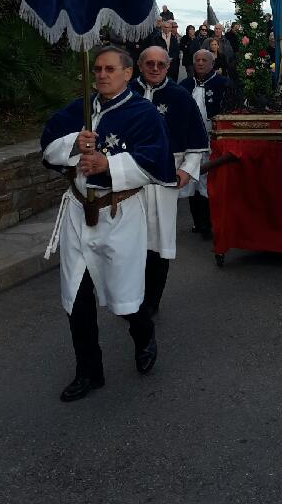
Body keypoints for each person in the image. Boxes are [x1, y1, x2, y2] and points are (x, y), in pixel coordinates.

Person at [40, 46, 177, 402]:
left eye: (110, 69)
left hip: (117, 217)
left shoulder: (143, 113)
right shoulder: (79, 110)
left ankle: (144, 335)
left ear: (128, 73)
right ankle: (89, 371)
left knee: (126, 298)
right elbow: (47, 144)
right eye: (97, 69)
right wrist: (73, 144)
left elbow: (157, 160)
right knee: (78, 297)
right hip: (77, 214)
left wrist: (110, 165)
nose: (101, 74)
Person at [131, 47, 209, 315]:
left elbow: (198, 143)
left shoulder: (180, 97)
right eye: (149, 63)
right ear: (140, 65)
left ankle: (151, 301)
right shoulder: (125, 93)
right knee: (128, 239)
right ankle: (130, 295)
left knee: (158, 239)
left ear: (169, 66)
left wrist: (186, 171)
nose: (155, 68)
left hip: (164, 178)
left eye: (160, 64)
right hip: (126, 177)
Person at [180, 49, 231, 238]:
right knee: (192, 179)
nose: (200, 63)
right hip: (190, 141)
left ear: (212, 64)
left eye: (204, 60)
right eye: (197, 60)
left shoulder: (222, 84)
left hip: (213, 140)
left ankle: (211, 222)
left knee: (209, 180)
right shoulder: (185, 85)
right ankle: (198, 222)